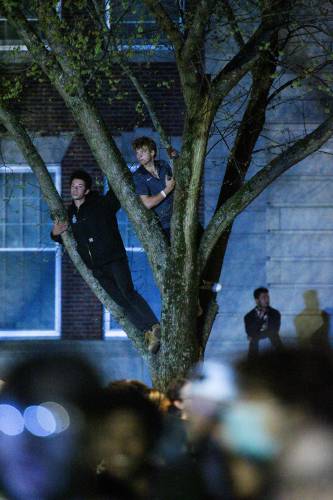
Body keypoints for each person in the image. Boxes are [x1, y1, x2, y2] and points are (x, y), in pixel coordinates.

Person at [51, 169, 160, 353]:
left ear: (86, 190)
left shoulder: (100, 204)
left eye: (80, 187)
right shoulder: (70, 214)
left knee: (128, 293)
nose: (75, 190)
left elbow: (117, 192)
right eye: (73, 186)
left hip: (114, 259)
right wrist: (54, 234)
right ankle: (147, 331)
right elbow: (66, 237)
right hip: (97, 268)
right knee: (121, 302)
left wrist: (135, 172)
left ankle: (154, 326)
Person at [132, 137, 176, 239]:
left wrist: (176, 158)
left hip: (179, 216)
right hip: (164, 226)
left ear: (152, 152)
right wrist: (167, 190)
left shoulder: (163, 165)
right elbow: (147, 203)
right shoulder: (138, 176)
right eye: (137, 153)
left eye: (143, 152)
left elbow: (175, 182)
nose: (139, 156)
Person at [244, 287, 283, 359]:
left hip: (274, 349)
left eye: (267, 297)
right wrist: (260, 319)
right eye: (263, 297)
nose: (267, 300)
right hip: (255, 352)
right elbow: (250, 332)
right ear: (257, 300)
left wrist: (255, 334)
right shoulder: (248, 316)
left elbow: (274, 331)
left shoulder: (275, 313)